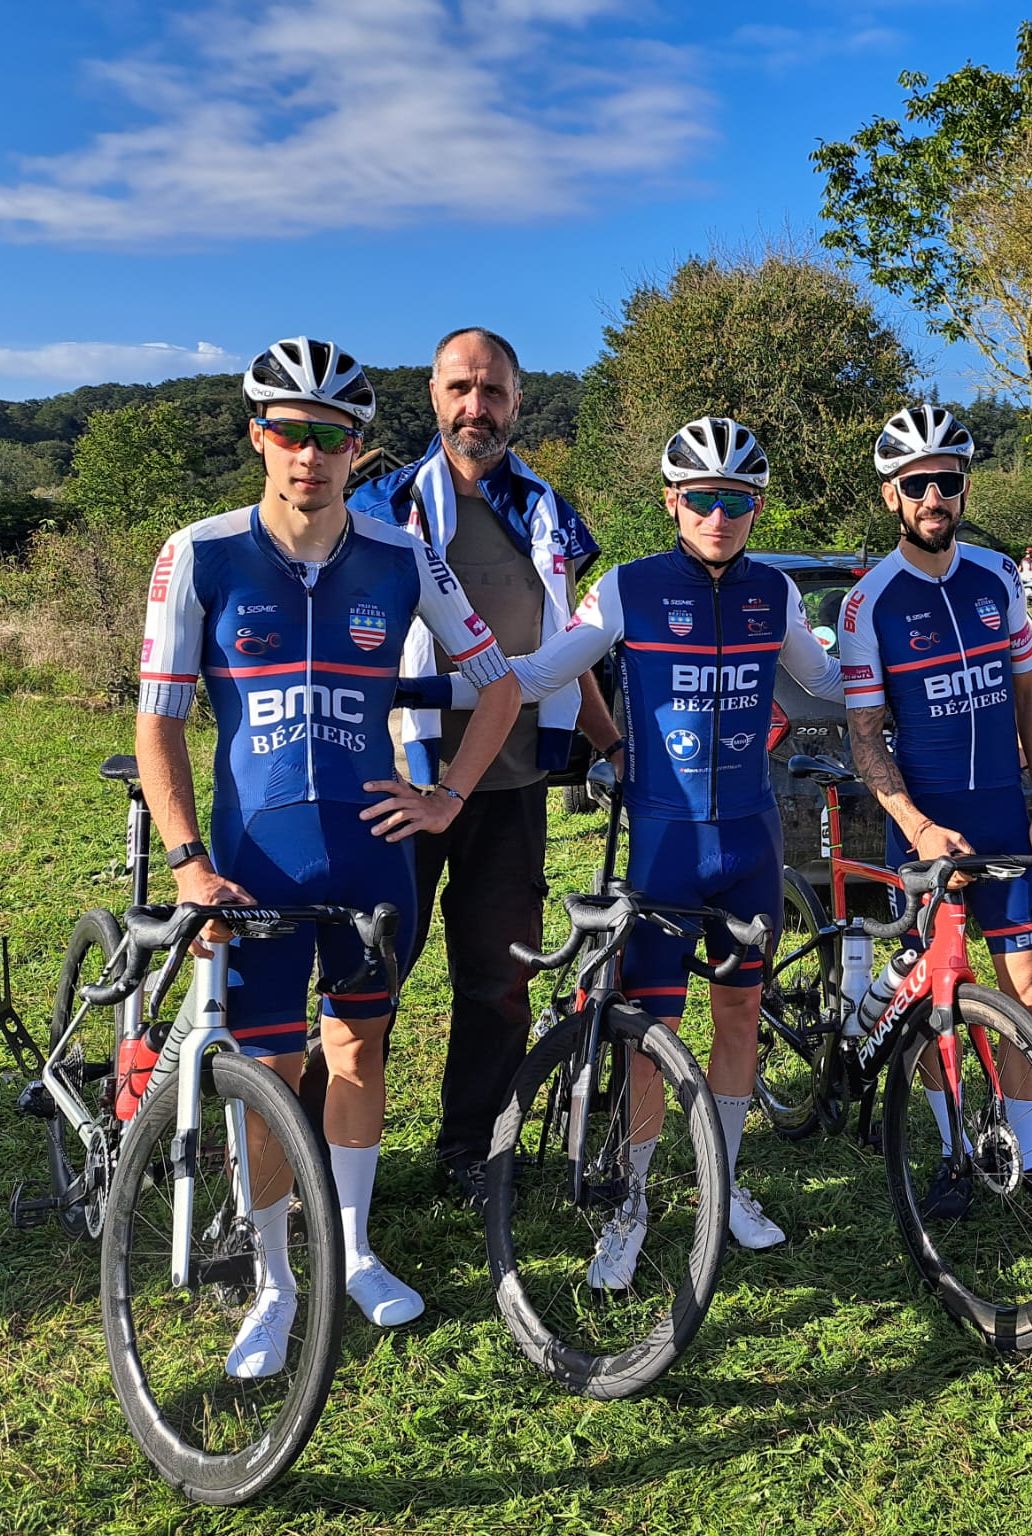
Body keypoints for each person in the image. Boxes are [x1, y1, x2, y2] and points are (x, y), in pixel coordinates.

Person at [136, 337, 522, 1372]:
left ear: (359, 449)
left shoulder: (401, 552)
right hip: (252, 867)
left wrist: (445, 797)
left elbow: (498, 683)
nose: (310, 455)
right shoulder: (201, 552)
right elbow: (159, 724)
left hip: (368, 861)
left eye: (333, 438)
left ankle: (353, 1249)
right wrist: (185, 862)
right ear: (258, 436)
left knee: (357, 1051)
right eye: (290, 433)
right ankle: (273, 1281)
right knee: (268, 1064)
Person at [430, 416, 842, 1282]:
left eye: (736, 500)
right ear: (672, 503)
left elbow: (827, 683)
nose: (718, 516)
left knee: (738, 1016)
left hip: (750, 844)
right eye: (701, 500)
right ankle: (634, 1201)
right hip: (662, 845)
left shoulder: (777, 594)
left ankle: (721, 1192)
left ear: (757, 507)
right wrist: (444, 673)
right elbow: (542, 673)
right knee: (650, 1033)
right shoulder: (626, 587)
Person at [350, 327, 618, 1207]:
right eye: (461, 388)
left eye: (494, 391)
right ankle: (338, 1151)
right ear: (432, 394)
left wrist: (612, 746)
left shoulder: (548, 511)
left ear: (517, 400)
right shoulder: (383, 507)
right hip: (401, 778)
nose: (478, 408)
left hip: (510, 783)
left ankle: (472, 1148)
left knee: (498, 982)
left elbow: (567, 647)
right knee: (370, 975)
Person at [837, 404, 1032, 1217]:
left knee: (1028, 989)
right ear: (892, 496)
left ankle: (1030, 1155)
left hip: (1009, 818)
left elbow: (1031, 695)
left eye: (947, 481)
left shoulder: (998, 578)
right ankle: (952, 1153)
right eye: (917, 484)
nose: (934, 496)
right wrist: (917, 828)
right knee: (939, 995)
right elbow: (867, 739)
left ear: (964, 487)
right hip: (931, 828)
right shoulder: (868, 605)